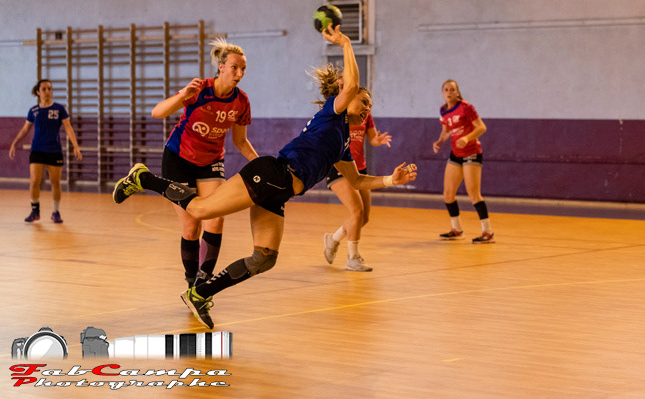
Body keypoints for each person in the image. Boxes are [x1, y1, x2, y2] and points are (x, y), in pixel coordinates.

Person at [112, 24, 417, 329]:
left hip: (279, 192)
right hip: (271, 175)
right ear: (344, 97)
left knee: (265, 257)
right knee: (200, 212)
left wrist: (391, 180)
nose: (367, 109)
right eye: (364, 102)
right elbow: (350, 86)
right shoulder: (332, 113)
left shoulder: (343, 142)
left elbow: (358, 180)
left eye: (370, 106)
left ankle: (200, 293)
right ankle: (143, 178)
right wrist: (347, 44)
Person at [152, 38, 258, 288]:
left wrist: (261, 164)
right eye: (234, 67)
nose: (239, 74)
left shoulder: (241, 101)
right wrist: (182, 96)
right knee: (191, 227)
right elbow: (157, 112)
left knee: (216, 219)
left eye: (243, 69)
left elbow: (241, 141)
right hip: (179, 158)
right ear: (221, 67)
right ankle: (191, 282)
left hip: (211, 161)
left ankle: (203, 283)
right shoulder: (199, 89)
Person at [318, 69, 392, 272]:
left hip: (359, 167)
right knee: (357, 211)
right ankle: (353, 258)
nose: (367, 107)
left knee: (363, 217)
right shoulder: (336, 112)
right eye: (364, 102)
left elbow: (372, 138)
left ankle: (333, 239)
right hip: (339, 167)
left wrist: (378, 140)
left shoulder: (364, 113)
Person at [9, 79, 82, 223]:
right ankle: (35, 211)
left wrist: (75, 146)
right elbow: (25, 129)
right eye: (44, 89)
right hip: (37, 150)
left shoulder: (59, 109)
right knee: (34, 181)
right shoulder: (34, 111)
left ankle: (56, 212)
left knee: (55, 182)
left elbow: (68, 127)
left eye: (49, 89)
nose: (47, 91)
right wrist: (14, 143)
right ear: (38, 92)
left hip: (54, 150)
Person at [432, 79, 494, 244]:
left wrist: (467, 138)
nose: (449, 92)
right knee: (448, 194)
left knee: (473, 194)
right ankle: (457, 230)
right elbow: (446, 131)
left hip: (471, 152)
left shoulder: (466, 107)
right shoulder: (443, 110)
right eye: (446, 89)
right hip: (456, 154)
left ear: (457, 92)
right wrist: (439, 141)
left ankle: (488, 232)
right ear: (442, 93)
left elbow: (481, 127)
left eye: (452, 89)